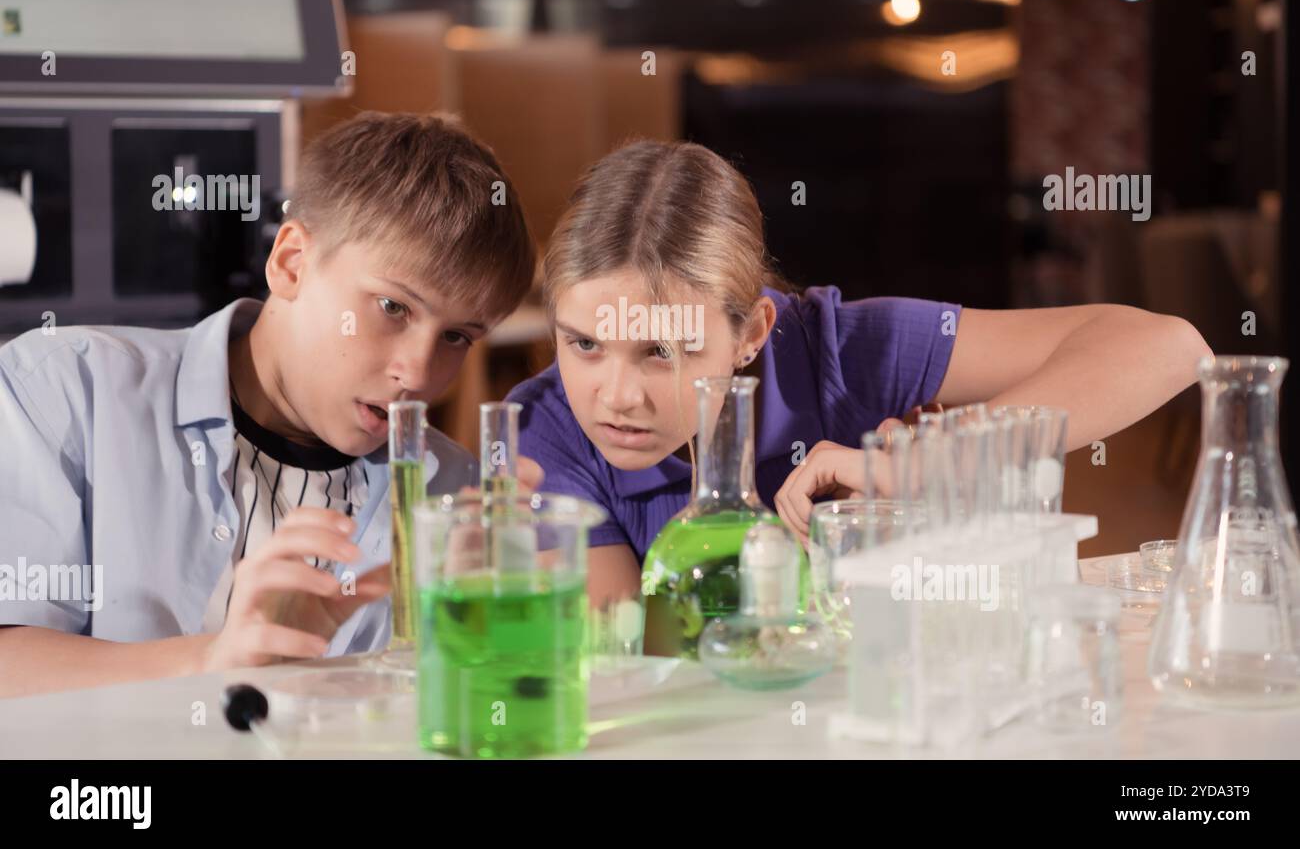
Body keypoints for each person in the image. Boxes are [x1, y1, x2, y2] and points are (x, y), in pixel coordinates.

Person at [507, 139, 1213, 607]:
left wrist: (925, 465)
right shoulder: (542, 430)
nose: (617, 397)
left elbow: (1168, 345)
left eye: (663, 351)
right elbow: (629, 661)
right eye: (585, 345)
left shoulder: (833, 349)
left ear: (752, 332)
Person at [0, 112, 539, 697]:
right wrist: (215, 661)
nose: (417, 372)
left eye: (457, 336)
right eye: (392, 308)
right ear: (291, 262)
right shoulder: (66, 392)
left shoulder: (451, 496)